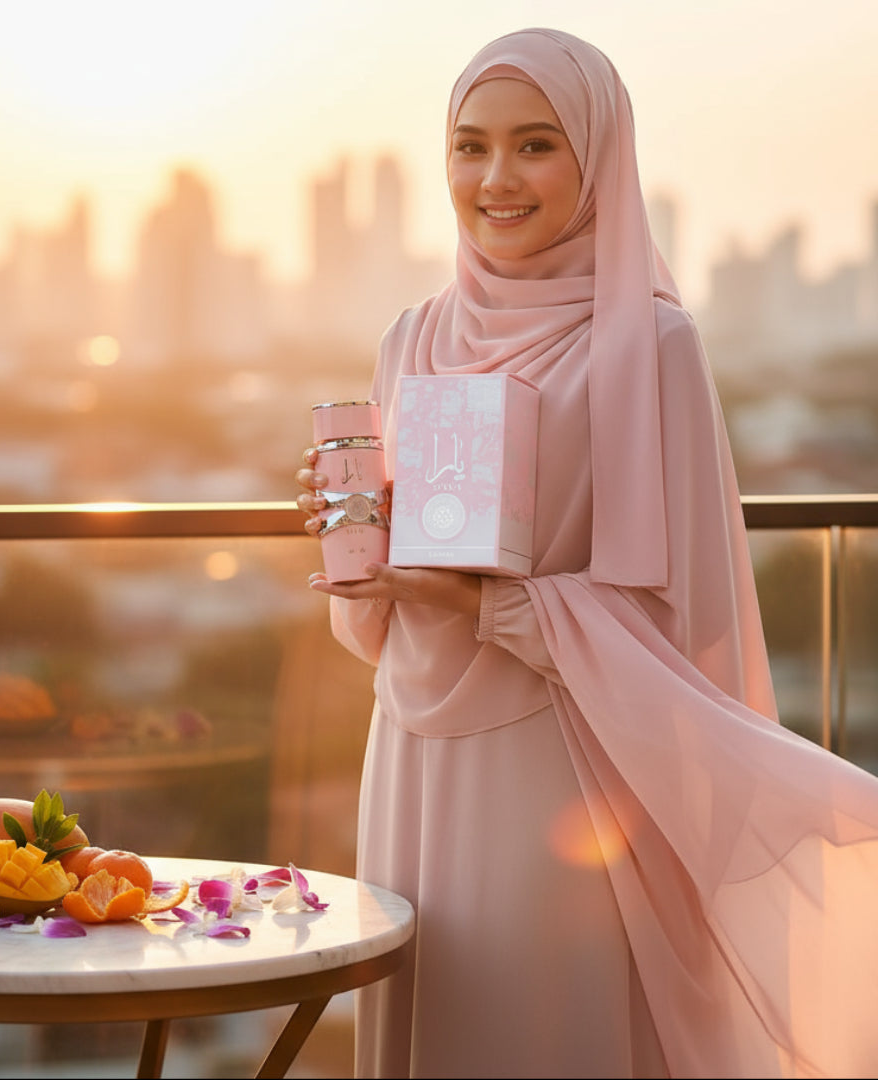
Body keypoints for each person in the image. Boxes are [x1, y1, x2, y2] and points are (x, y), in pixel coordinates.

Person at [296, 27, 878, 1080]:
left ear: (599, 158)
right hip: (411, 753)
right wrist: (356, 526)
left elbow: (677, 622)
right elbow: (370, 628)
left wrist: (484, 604)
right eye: (470, 146)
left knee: (538, 1030)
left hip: (559, 773)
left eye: (536, 144)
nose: (496, 178)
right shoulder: (409, 338)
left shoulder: (650, 344)